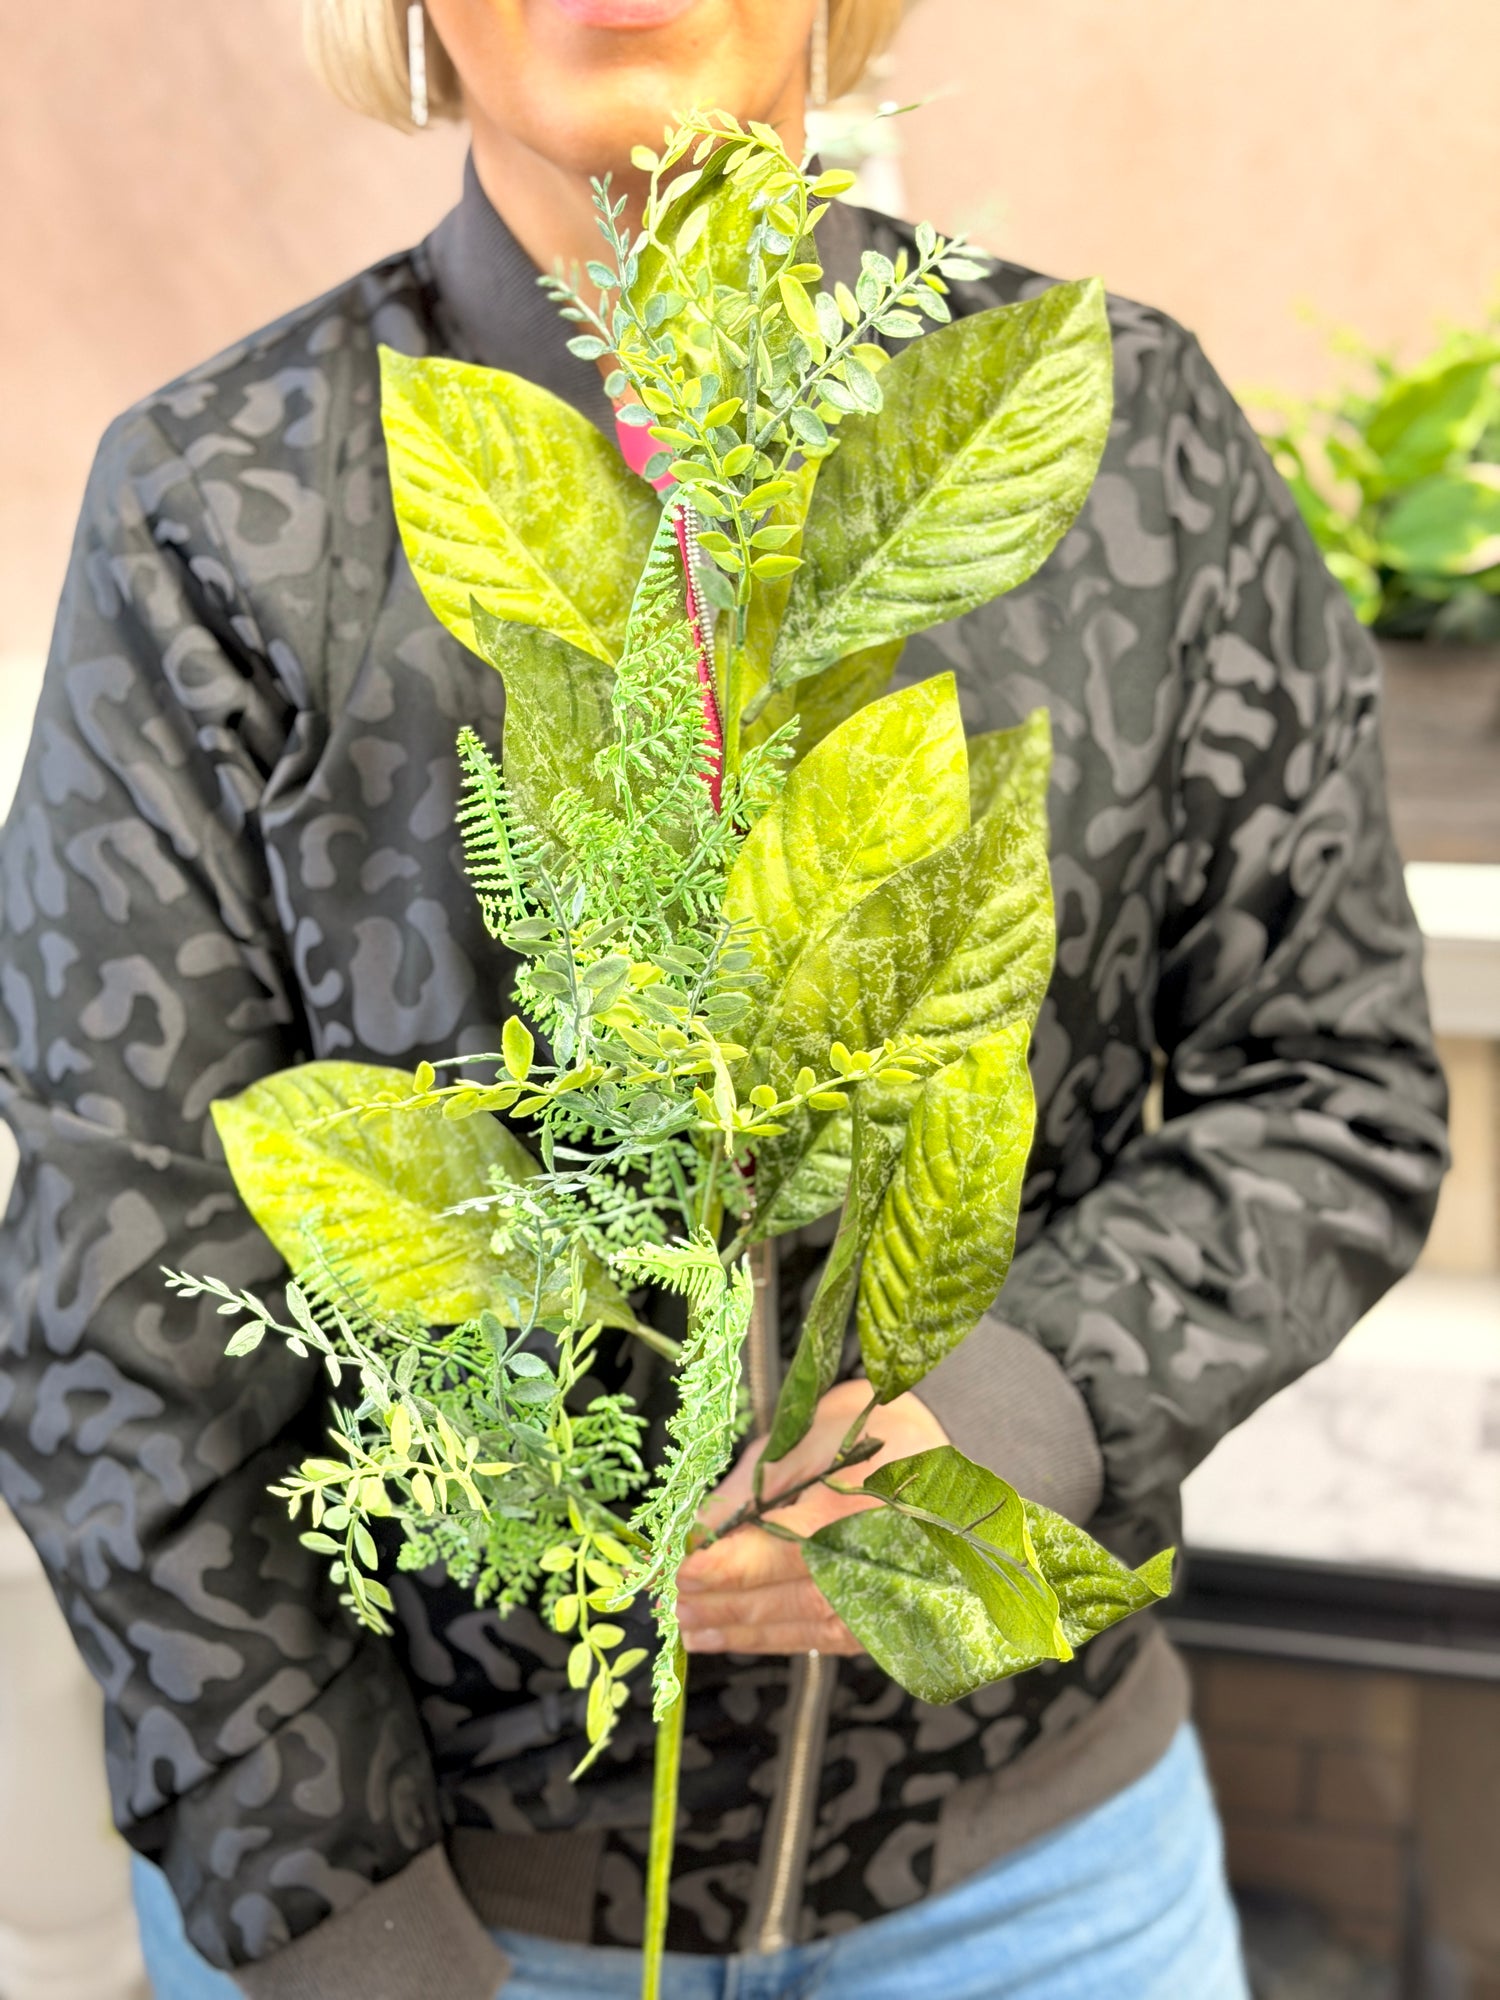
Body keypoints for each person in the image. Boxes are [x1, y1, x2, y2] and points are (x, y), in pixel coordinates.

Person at [0, 1, 1448, 1995]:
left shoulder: (1129, 434)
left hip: (1038, 1899)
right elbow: (122, 1293)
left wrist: (1009, 1408)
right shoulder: (225, 507)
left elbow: (1332, 1083)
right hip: (451, 1912)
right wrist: (356, 1937)